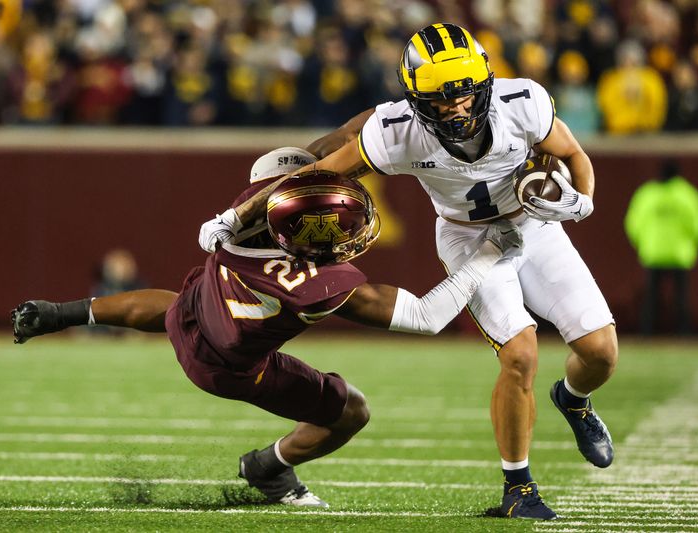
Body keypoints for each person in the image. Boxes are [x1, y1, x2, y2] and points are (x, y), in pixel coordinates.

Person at [198, 23, 619, 520]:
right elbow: (318, 175)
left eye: (464, 93)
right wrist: (235, 217)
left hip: (535, 228)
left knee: (600, 355)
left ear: (484, 85)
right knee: (520, 355)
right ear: (416, 99)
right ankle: (519, 489)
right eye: (440, 99)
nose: (456, 106)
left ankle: (573, 401)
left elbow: (572, 154)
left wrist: (582, 201)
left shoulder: (522, 101)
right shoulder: (398, 132)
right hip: (467, 237)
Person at [12, 147, 523, 509]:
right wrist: (486, 254)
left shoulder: (247, 214)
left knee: (180, 305)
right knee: (352, 411)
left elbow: (300, 168)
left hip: (200, 312)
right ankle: (269, 467)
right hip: (235, 368)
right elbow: (427, 317)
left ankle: (64, 312)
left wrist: (61, 315)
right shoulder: (315, 281)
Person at [624, 160, 698, 335]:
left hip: (653, 252)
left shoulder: (647, 194)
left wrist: (641, 244)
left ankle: (647, 333)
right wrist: (693, 245)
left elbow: (633, 223)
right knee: (681, 297)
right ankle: (683, 333)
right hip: (680, 253)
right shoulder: (687, 194)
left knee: (652, 297)